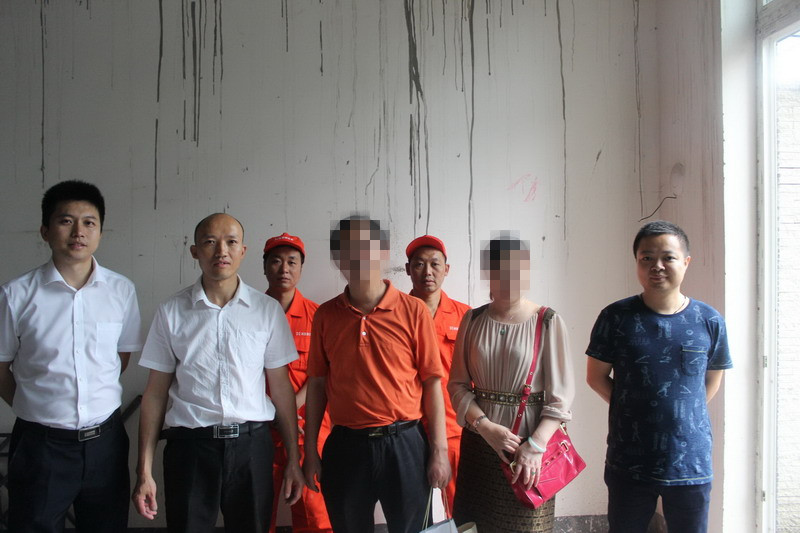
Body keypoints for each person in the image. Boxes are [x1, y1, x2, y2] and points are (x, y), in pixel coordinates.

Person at [132, 213, 304, 533]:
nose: (221, 251)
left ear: (243, 251)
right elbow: (155, 394)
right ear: (195, 251)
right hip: (190, 449)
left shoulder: (267, 312)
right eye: (210, 242)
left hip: (252, 447)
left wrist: (293, 459)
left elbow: (281, 389)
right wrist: (144, 471)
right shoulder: (172, 311)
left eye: (231, 242)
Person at [0, 180, 143, 533]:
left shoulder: (121, 290)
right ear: (45, 231)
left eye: (89, 222)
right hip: (40, 446)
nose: (78, 231)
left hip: (106, 444)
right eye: (66, 221)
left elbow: (120, 357)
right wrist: (34, 405)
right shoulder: (16, 295)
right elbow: (0, 365)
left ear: (100, 233)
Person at [302, 215, 451, 533]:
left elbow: (432, 383)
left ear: (382, 251)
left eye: (366, 246)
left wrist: (439, 451)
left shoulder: (413, 311)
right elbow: (316, 384)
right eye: (348, 248)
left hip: (405, 445)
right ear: (337, 258)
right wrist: (310, 450)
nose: (358, 255)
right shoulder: (326, 316)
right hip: (346, 447)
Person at [586, 220, 731, 533]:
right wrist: (634, 408)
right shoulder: (615, 317)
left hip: (691, 461)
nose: (657, 266)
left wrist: (681, 413)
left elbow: (712, 380)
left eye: (668, 257)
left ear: (686, 262)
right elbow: (596, 377)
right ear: (637, 262)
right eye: (647, 258)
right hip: (629, 459)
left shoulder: (709, 320)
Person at [448, 233, 574, 533]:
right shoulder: (472, 320)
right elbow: (457, 385)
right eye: (500, 267)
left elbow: (561, 398)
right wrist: (485, 428)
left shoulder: (547, 320)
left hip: (527, 449)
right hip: (480, 445)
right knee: (474, 526)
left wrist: (535, 446)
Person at [262, 232, 332, 533]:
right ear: (265, 266)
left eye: (292, 262)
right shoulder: (248, 313)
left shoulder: (318, 316)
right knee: (257, 513)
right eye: (276, 261)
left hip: (309, 431)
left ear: (302, 267)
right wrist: (274, 414)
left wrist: (289, 412)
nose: (284, 269)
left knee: (315, 516)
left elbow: (323, 374)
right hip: (261, 432)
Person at [405, 234, 470, 514]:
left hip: (455, 429)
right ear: (408, 269)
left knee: (462, 510)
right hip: (407, 431)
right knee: (412, 514)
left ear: (447, 269)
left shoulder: (466, 316)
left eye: (435, 264)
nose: (427, 272)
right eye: (419, 264)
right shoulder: (393, 314)